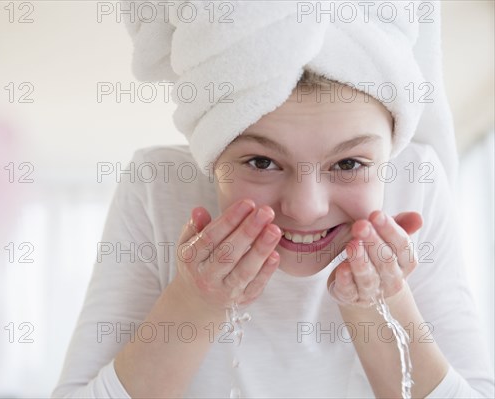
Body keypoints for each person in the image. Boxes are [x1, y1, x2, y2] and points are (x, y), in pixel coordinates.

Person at [53, 2, 495, 398]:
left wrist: (379, 305)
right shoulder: (159, 184)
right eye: (262, 162)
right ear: (211, 152)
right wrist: (195, 301)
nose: (306, 209)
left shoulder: (416, 182)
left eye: (348, 164)